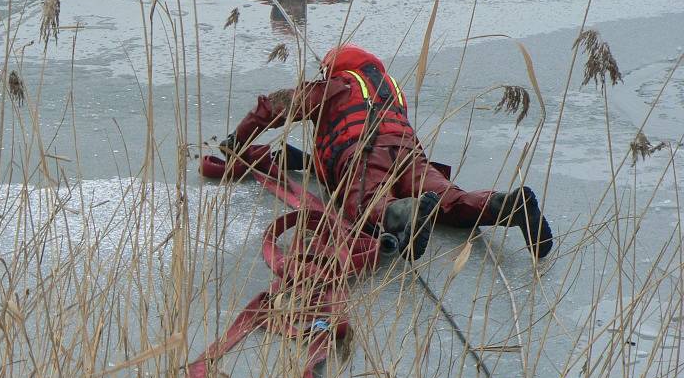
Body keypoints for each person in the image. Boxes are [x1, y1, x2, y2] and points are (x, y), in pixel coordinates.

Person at [220, 44, 554, 261]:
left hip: (363, 154)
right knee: (448, 199)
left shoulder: (336, 85)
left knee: (365, 205)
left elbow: (273, 108)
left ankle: (402, 213)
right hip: (410, 154)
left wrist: (238, 141)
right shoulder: (390, 89)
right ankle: (504, 205)